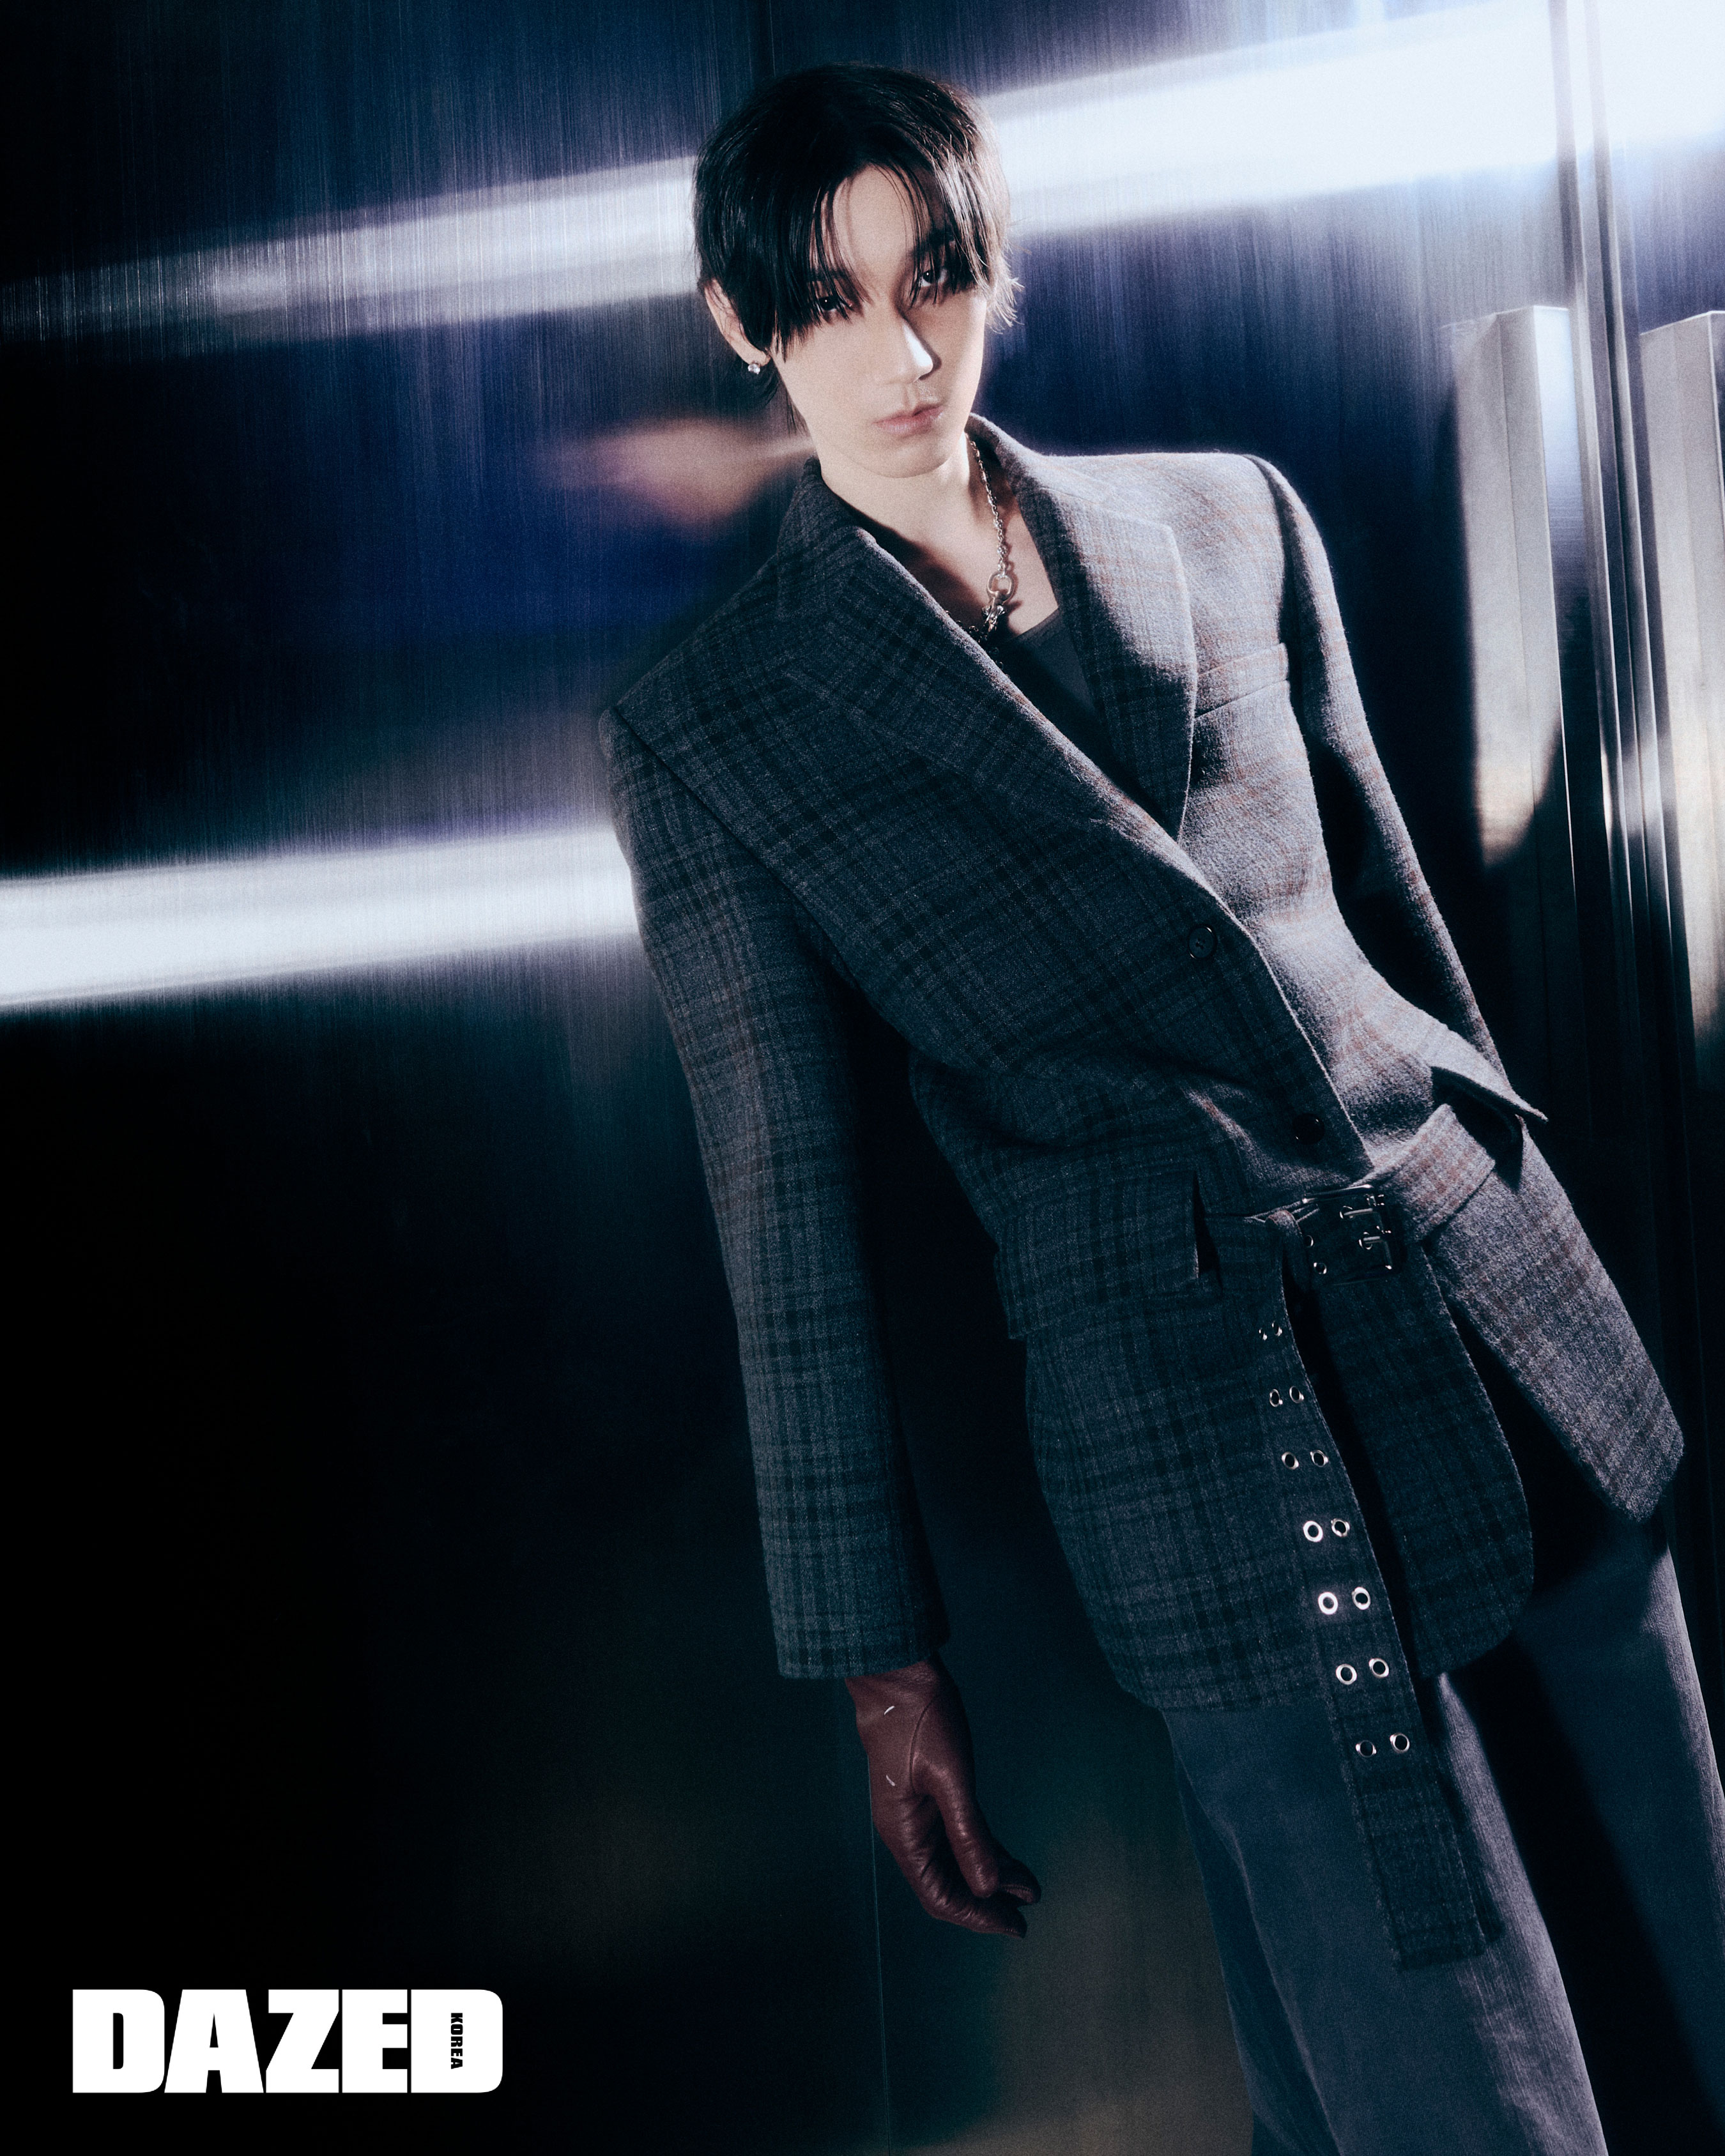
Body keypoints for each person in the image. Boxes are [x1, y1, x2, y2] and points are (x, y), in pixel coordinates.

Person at [600, 60, 1725, 2155]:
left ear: (992, 267)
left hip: (1497, 1319)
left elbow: (1400, 937)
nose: (904, 354)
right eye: (831, 301)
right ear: (741, 321)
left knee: (1686, 1941)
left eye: (935, 279)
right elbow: (787, 1220)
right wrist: (883, 1666)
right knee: (1433, 2070)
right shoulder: (716, 724)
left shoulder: (1226, 516)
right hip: (1205, 1426)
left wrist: (1517, 1213)